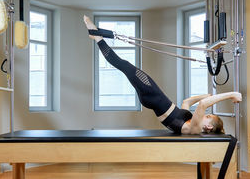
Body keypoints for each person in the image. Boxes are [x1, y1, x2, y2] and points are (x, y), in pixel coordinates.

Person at [83, 15, 242, 135]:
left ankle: (97, 37)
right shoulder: (188, 119)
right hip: (152, 98)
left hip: (152, 95)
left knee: (123, 65)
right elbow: (187, 101)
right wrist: (205, 95)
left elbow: (202, 105)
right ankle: (96, 36)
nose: (206, 114)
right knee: (124, 66)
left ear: (207, 126)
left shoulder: (193, 128)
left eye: (209, 116)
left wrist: (231, 94)